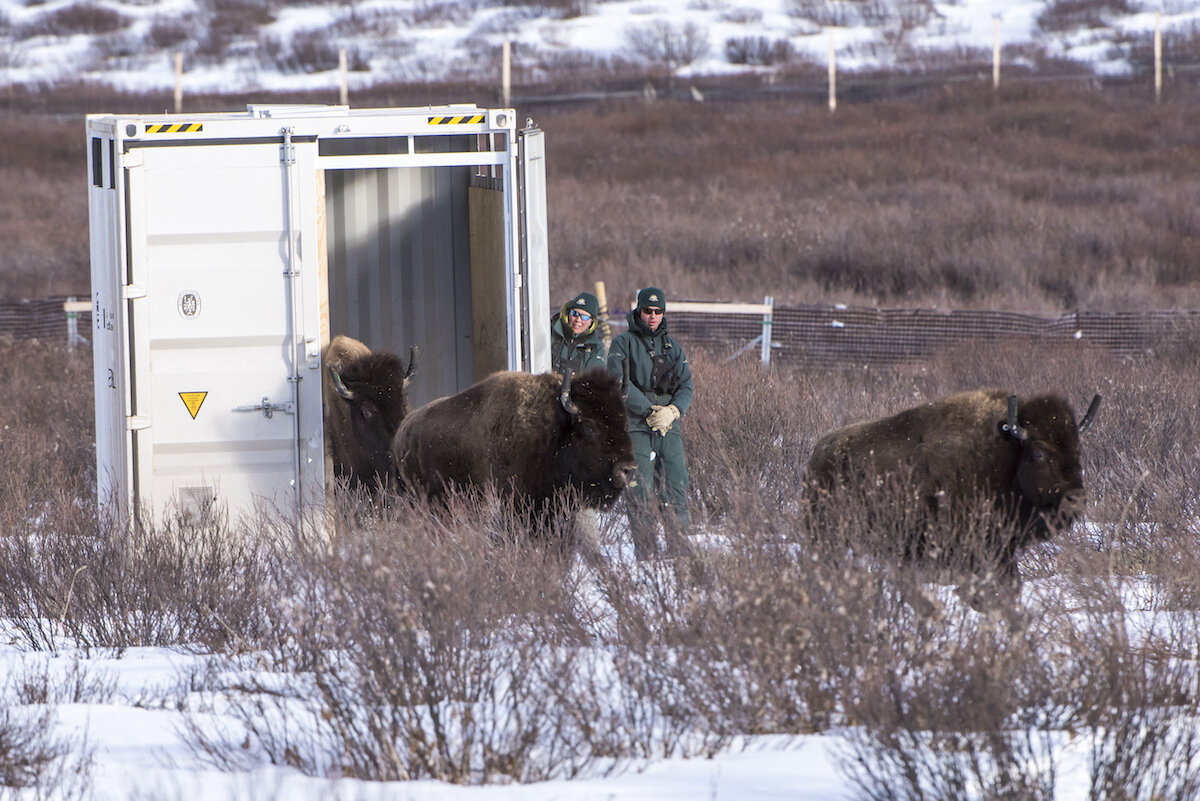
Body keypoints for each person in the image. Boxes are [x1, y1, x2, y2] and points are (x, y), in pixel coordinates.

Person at [607, 286, 694, 560]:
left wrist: (673, 412)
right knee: (640, 492)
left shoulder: (673, 347)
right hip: (637, 427)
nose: (653, 316)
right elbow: (619, 381)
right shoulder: (623, 343)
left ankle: (678, 551)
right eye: (648, 310)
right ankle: (646, 555)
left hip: (669, 428)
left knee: (676, 488)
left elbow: (686, 385)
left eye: (658, 311)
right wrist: (649, 411)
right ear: (639, 311)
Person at [551, 290, 606, 375]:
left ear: (592, 321)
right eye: (574, 313)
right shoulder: (551, 334)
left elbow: (596, 380)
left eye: (584, 317)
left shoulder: (595, 348)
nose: (578, 320)